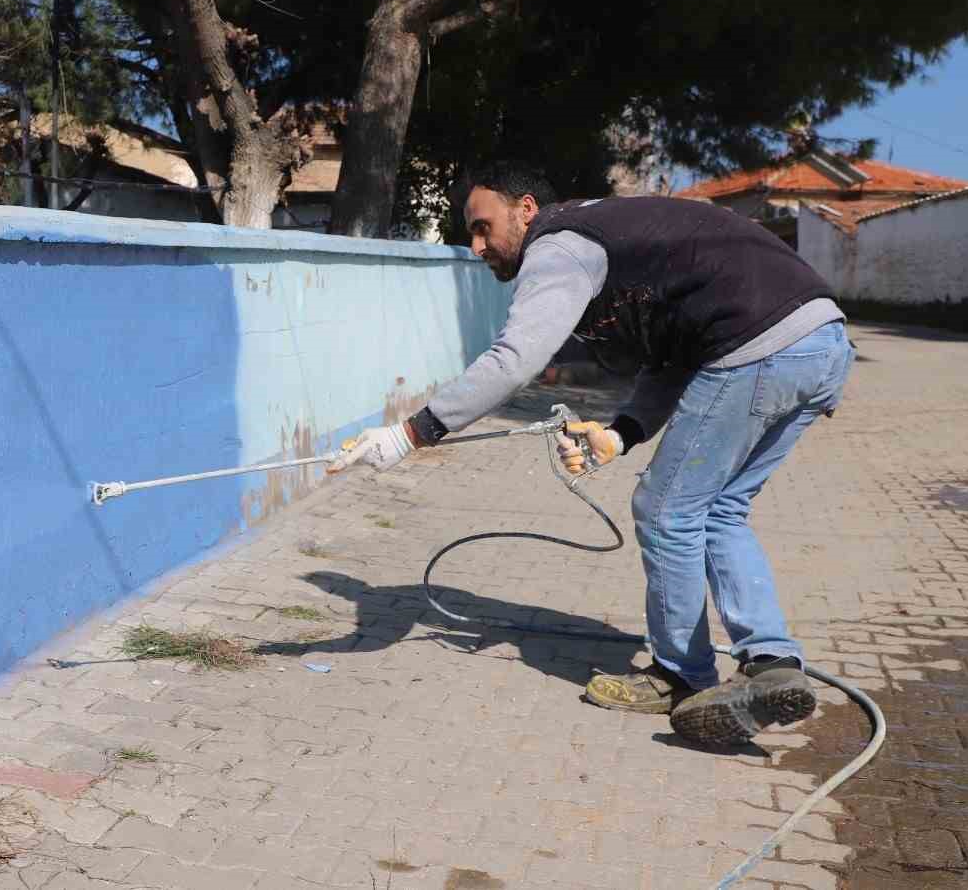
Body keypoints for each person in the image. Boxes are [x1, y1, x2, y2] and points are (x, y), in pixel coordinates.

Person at [328, 169, 855, 747]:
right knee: (721, 511)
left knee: (667, 510)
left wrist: (410, 435)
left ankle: (680, 675)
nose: (476, 246)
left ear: (526, 209)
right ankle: (773, 663)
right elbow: (671, 356)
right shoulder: (612, 241)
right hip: (822, 343)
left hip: (759, 344)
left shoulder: (558, 247)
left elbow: (515, 358)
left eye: (483, 227)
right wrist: (621, 434)